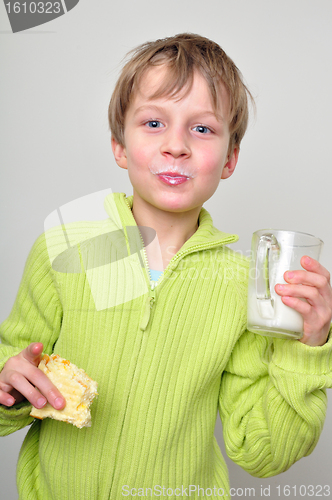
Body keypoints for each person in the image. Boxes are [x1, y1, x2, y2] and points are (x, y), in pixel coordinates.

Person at [1, 33, 332, 500]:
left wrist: (308, 346)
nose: (176, 145)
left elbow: (262, 453)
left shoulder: (247, 287)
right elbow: (8, 383)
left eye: (202, 129)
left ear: (230, 159)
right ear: (119, 146)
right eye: (154, 122)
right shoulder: (65, 247)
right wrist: (10, 388)